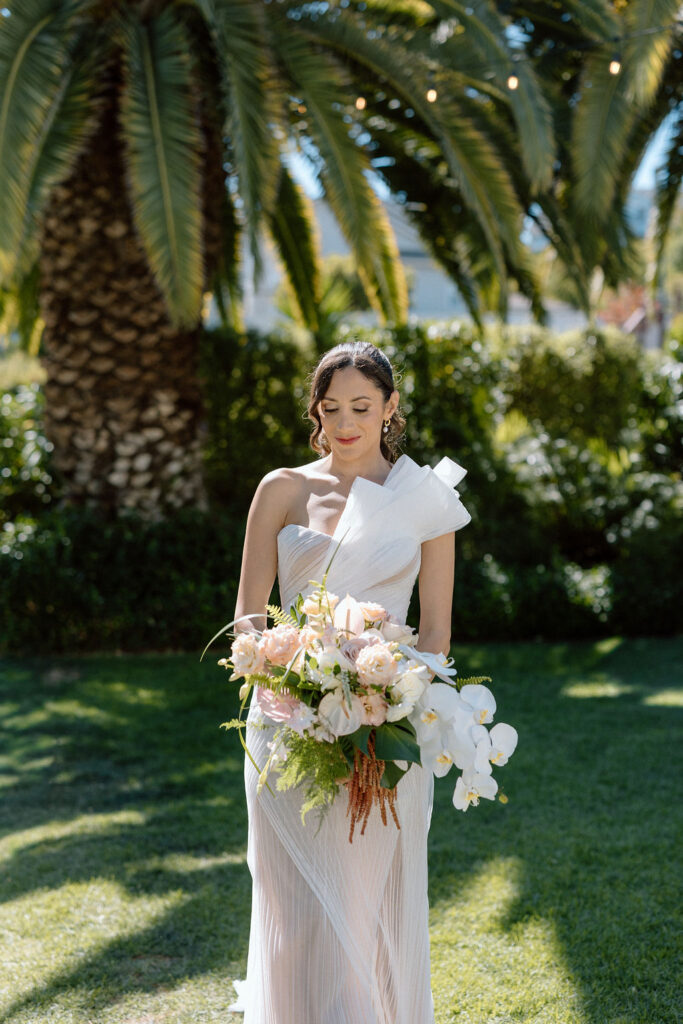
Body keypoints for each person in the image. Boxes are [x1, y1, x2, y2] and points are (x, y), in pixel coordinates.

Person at [230, 340, 471, 1024]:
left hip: (382, 730)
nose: (345, 422)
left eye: (361, 407)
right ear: (315, 409)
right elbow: (247, 615)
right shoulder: (282, 488)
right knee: (293, 899)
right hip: (281, 725)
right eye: (330, 406)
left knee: (363, 900)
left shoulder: (425, 501)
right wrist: (282, 673)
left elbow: (434, 635)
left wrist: (387, 701)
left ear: (390, 408)